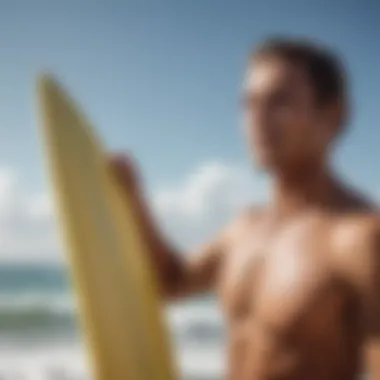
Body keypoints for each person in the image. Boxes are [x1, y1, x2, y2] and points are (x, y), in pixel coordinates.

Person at [110, 37, 380, 380]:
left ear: (332, 115)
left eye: (279, 102)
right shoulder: (243, 229)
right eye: (248, 105)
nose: (257, 119)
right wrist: (134, 201)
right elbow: (171, 283)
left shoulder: (360, 240)